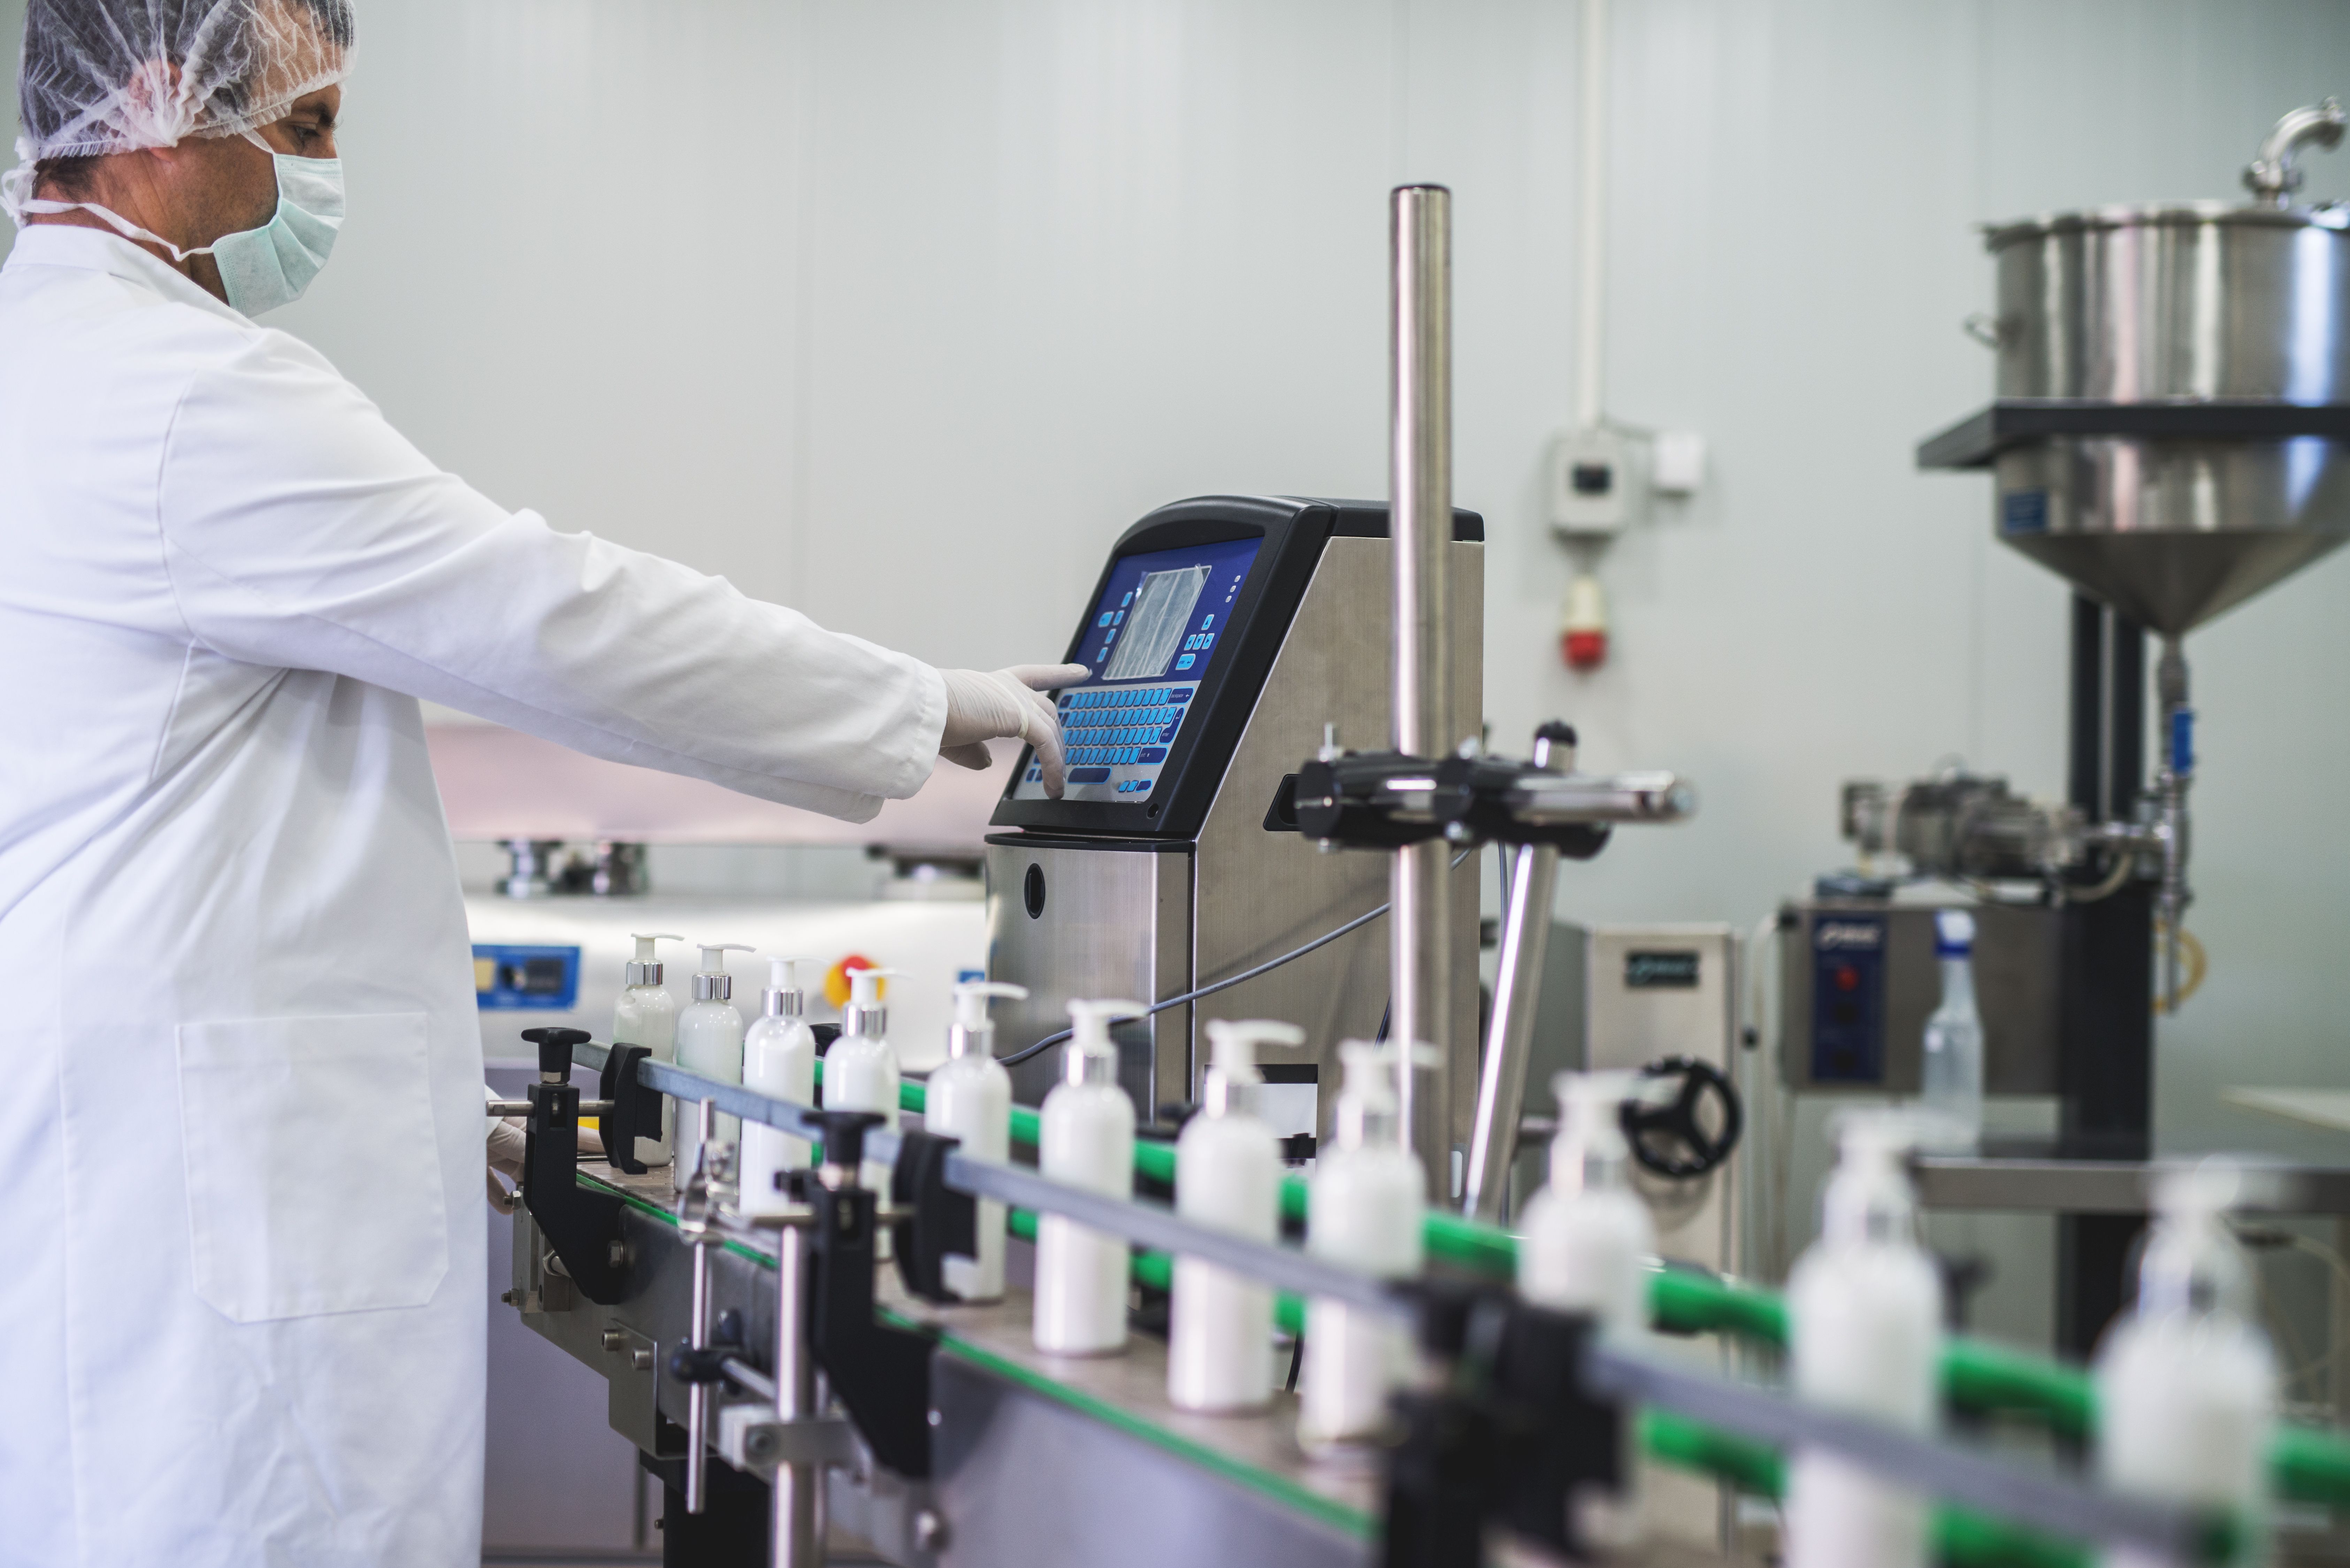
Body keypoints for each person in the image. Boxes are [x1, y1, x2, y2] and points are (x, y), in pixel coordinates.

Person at [0, 3, 1083, 1562]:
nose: (322, 181)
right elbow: (552, 619)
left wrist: (444, 1115)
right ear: (161, 104)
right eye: (304, 130)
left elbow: (197, 840)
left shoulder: (44, 361)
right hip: (212, 1273)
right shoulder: (184, 399)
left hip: (128, 1185)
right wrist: (915, 705)